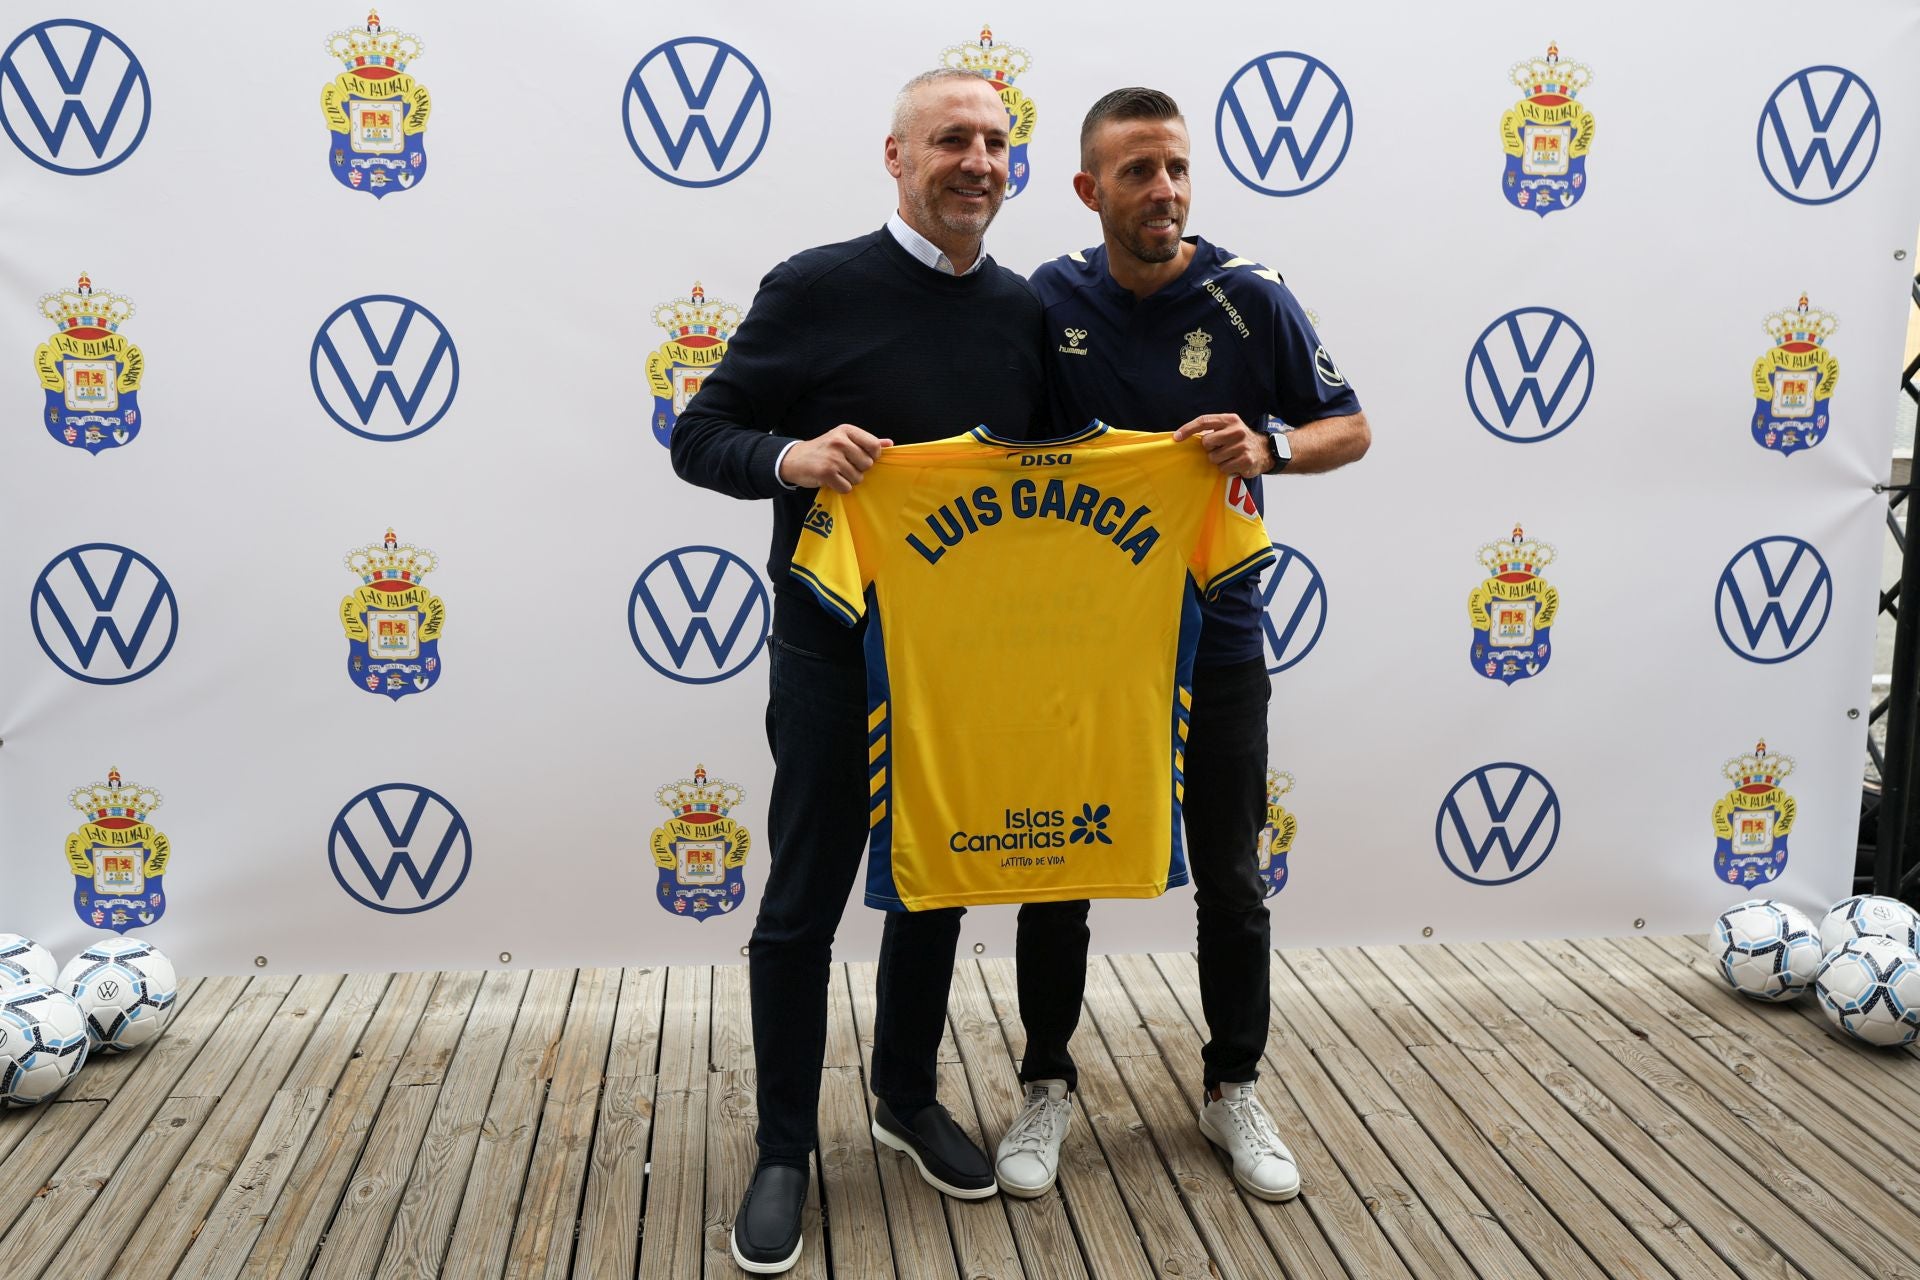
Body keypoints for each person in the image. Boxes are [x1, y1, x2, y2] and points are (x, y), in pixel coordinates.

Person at [669, 68, 1048, 1275]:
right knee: (803, 902)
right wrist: (793, 455)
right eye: (952, 141)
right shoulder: (816, 285)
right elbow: (700, 436)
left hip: (961, 662)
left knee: (935, 883)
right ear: (896, 157)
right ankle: (785, 1145)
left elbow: (1063, 475)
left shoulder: (1028, 310)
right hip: (830, 647)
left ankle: (903, 1092)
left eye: (994, 142)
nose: (977, 162)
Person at [993, 87, 1370, 1203]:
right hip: (1078, 641)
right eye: (1138, 171)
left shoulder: (1252, 297)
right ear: (1086, 189)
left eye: (1176, 168)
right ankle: (1047, 1080)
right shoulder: (1046, 297)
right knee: (1057, 861)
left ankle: (1233, 1085)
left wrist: (1271, 442)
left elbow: (1351, 425)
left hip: (1218, 633)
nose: (1164, 190)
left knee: (1234, 873)